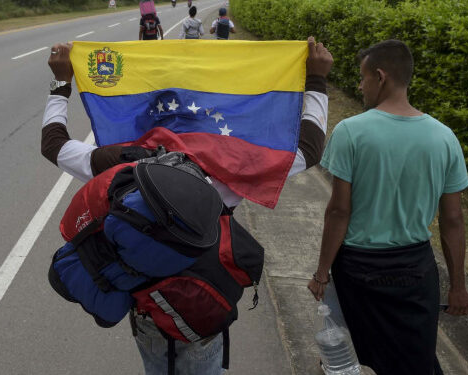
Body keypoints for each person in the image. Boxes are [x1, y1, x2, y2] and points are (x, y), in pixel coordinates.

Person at [44, 37, 333, 374]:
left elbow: (54, 143)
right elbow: (308, 149)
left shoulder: (120, 160)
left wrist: (61, 83)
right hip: (201, 302)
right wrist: (316, 79)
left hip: (147, 305)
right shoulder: (230, 161)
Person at [307, 40, 468, 375]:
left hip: (358, 270)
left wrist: (322, 273)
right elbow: (452, 220)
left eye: (363, 77)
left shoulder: (352, 132)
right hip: (416, 270)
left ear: (380, 77)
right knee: (413, 359)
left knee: (348, 355)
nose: (360, 86)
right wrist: (457, 286)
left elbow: (339, 211)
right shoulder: (444, 137)